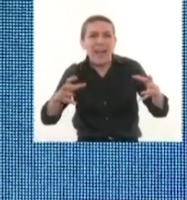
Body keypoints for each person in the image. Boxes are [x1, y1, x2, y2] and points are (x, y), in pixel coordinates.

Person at [39, 14, 169, 142]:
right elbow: (48, 119)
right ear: (83, 43)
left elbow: (159, 112)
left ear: (114, 41)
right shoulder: (75, 73)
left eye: (107, 35)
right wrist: (55, 101)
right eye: (93, 35)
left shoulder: (131, 68)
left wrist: (157, 96)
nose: (100, 41)